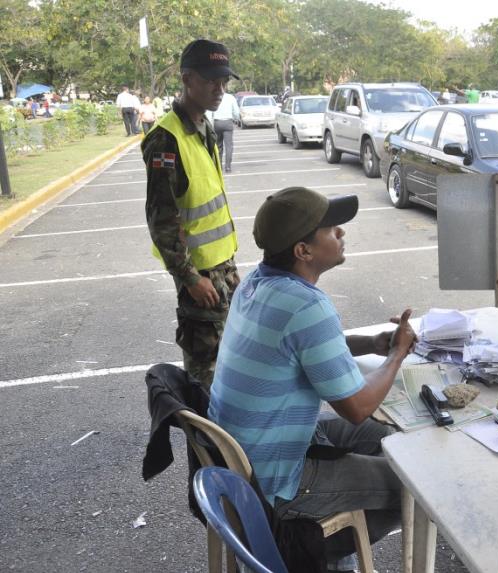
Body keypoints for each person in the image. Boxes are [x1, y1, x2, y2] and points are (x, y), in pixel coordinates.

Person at [209, 186, 416, 570]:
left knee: (390, 439)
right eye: (332, 229)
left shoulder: (255, 283)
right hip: (276, 479)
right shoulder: (307, 305)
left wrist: (371, 342)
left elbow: (299, 347)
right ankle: (321, 549)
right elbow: (357, 407)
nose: (342, 234)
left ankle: (335, 536)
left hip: (248, 454)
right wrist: (397, 353)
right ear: (303, 251)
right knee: (416, 485)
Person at [142, 39, 241, 391]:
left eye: (224, 81)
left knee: (230, 363)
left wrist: (228, 271)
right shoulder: (166, 139)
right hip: (199, 277)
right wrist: (189, 278)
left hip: (222, 268)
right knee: (205, 375)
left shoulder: (203, 126)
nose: (220, 89)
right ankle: (205, 446)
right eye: (211, 80)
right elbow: (162, 219)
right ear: (187, 79)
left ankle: (228, 444)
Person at [205, 89, 240, 172]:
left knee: (218, 146)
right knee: (229, 146)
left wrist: (210, 123)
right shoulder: (231, 97)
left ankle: (219, 166)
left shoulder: (214, 96)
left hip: (217, 122)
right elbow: (236, 112)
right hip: (228, 122)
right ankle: (228, 167)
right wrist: (236, 119)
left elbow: (209, 112)